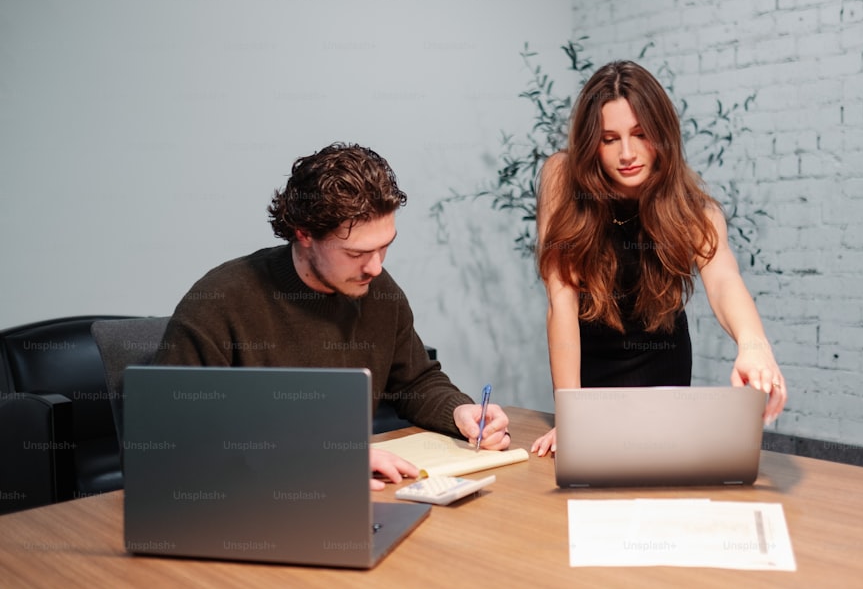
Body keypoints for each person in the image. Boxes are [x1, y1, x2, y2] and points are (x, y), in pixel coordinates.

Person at [154, 142, 511, 488]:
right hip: (248, 502)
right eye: (357, 253)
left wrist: (459, 413)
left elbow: (415, 382)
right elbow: (175, 438)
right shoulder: (221, 301)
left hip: (350, 498)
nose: (375, 267)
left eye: (385, 247)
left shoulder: (380, 293)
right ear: (304, 234)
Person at [530, 60, 787, 457]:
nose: (627, 153)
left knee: (659, 478)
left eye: (641, 134)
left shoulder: (693, 208)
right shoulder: (562, 180)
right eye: (609, 138)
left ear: (662, 135)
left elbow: (723, 280)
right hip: (589, 375)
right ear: (590, 143)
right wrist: (571, 413)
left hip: (662, 370)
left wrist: (755, 345)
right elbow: (560, 301)